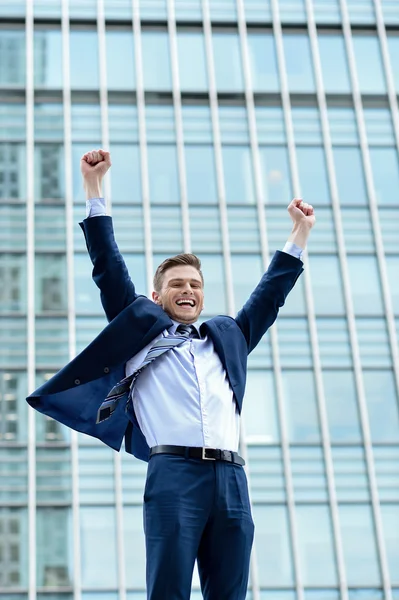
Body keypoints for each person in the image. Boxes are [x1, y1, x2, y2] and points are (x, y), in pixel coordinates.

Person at [27, 149, 316, 600]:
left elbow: (270, 296)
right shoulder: (141, 330)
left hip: (232, 477)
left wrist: (298, 234)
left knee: (231, 591)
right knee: (169, 588)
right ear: (159, 296)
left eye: (195, 285)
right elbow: (108, 267)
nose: (187, 290)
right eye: (177, 284)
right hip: (174, 472)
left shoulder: (227, 337)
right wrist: (94, 188)